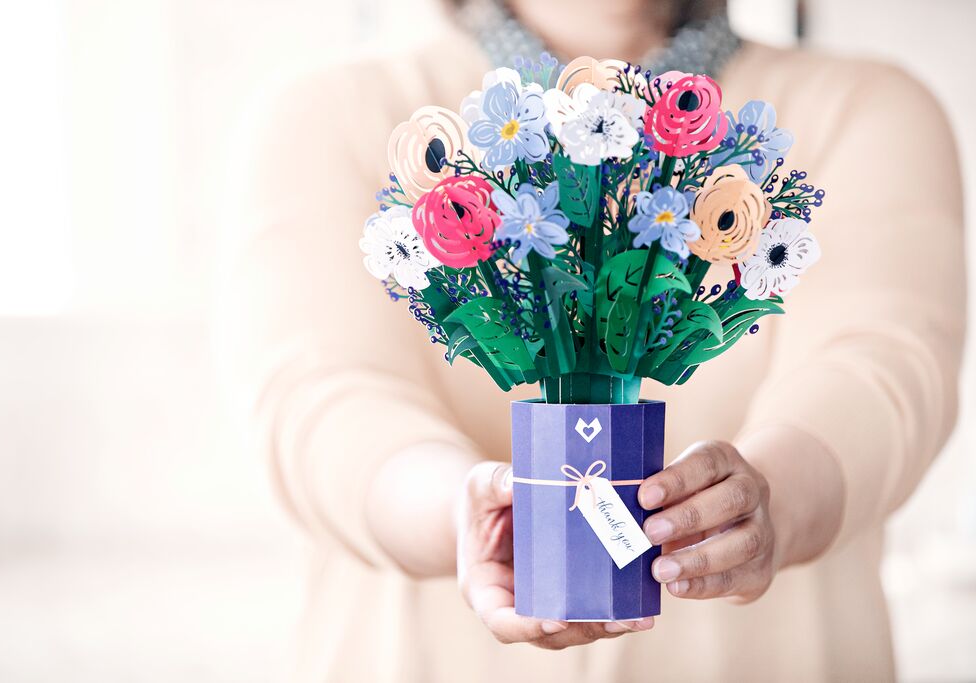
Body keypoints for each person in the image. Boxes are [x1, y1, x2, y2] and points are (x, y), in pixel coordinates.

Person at [223, 0, 965, 679]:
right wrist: (462, 511)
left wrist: (767, 501)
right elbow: (321, 397)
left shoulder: (868, 109)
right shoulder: (333, 114)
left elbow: (883, 366)